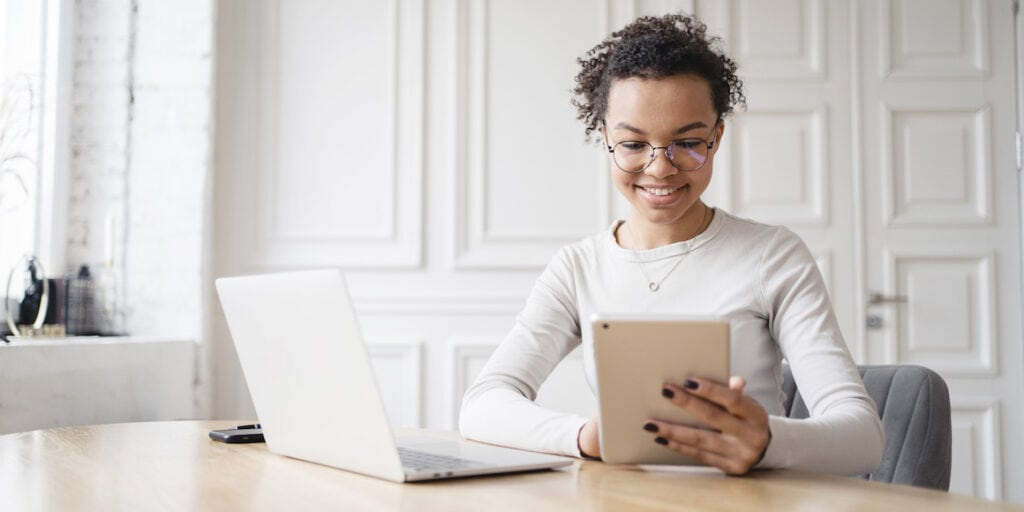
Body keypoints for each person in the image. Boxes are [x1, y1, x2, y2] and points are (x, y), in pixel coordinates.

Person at [458, 13, 883, 476]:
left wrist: (766, 442)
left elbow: (863, 437)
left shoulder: (773, 256)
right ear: (605, 138)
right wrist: (583, 438)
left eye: (688, 142)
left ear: (716, 138)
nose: (660, 169)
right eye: (634, 144)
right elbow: (483, 404)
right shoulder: (578, 267)